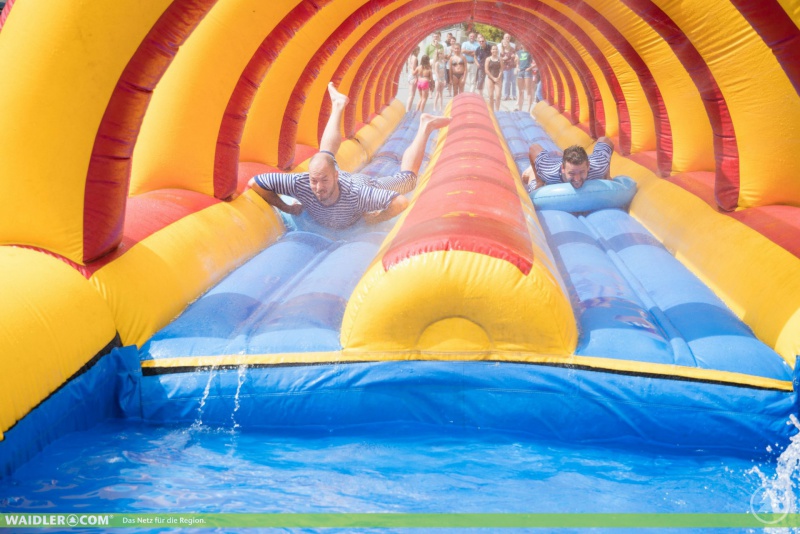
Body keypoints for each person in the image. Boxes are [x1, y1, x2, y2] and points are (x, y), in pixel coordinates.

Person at [249, 83, 452, 229]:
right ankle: (338, 104)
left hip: (362, 183)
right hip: (334, 176)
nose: (318, 188)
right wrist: (286, 207)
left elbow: (400, 203)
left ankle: (425, 125)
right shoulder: (301, 184)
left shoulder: (358, 195)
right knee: (324, 156)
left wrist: (375, 219)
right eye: (314, 181)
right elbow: (256, 183)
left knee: (408, 181)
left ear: (336, 175)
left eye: (324, 181)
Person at [521, 137, 615, 191]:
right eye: (572, 173)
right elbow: (533, 148)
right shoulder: (548, 172)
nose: (577, 179)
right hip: (553, 162)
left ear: (588, 166)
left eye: (581, 172)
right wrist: (539, 181)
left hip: (586, 160)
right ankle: (530, 171)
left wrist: (607, 176)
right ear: (563, 168)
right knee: (527, 180)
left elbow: (605, 140)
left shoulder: (600, 166)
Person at [515, 43, 534, 111]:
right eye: (523, 44)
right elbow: (517, 62)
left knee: (528, 91)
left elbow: (536, 62)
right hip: (520, 71)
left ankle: (528, 109)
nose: (524, 45)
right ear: (521, 45)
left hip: (527, 71)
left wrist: (530, 68)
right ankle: (520, 109)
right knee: (521, 91)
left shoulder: (530, 52)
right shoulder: (519, 52)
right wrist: (517, 67)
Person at [484, 45, 502, 111]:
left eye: (496, 49)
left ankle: (497, 111)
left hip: (498, 78)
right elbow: (486, 70)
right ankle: (491, 111)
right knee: (491, 96)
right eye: (493, 49)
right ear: (491, 51)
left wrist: (498, 77)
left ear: (497, 50)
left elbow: (501, 69)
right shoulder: (488, 59)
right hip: (490, 78)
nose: (495, 50)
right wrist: (493, 78)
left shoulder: (500, 59)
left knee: (498, 96)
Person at [499, 33, 517, 101]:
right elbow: (501, 59)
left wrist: (507, 57)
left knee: (513, 81)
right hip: (505, 68)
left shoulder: (512, 49)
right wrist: (505, 58)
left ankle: (514, 95)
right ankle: (505, 95)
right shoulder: (502, 51)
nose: (505, 44)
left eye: (506, 43)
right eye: (503, 43)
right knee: (506, 81)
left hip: (512, 67)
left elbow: (514, 56)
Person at [406, 46, 420, 111]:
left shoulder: (410, 57)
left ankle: (408, 109)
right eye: (418, 50)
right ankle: (407, 110)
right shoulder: (415, 58)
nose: (419, 52)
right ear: (416, 51)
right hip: (413, 76)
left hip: (409, 75)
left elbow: (410, 66)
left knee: (410, 95)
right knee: (412, 95)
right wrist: (417, 77)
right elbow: (414, 69)